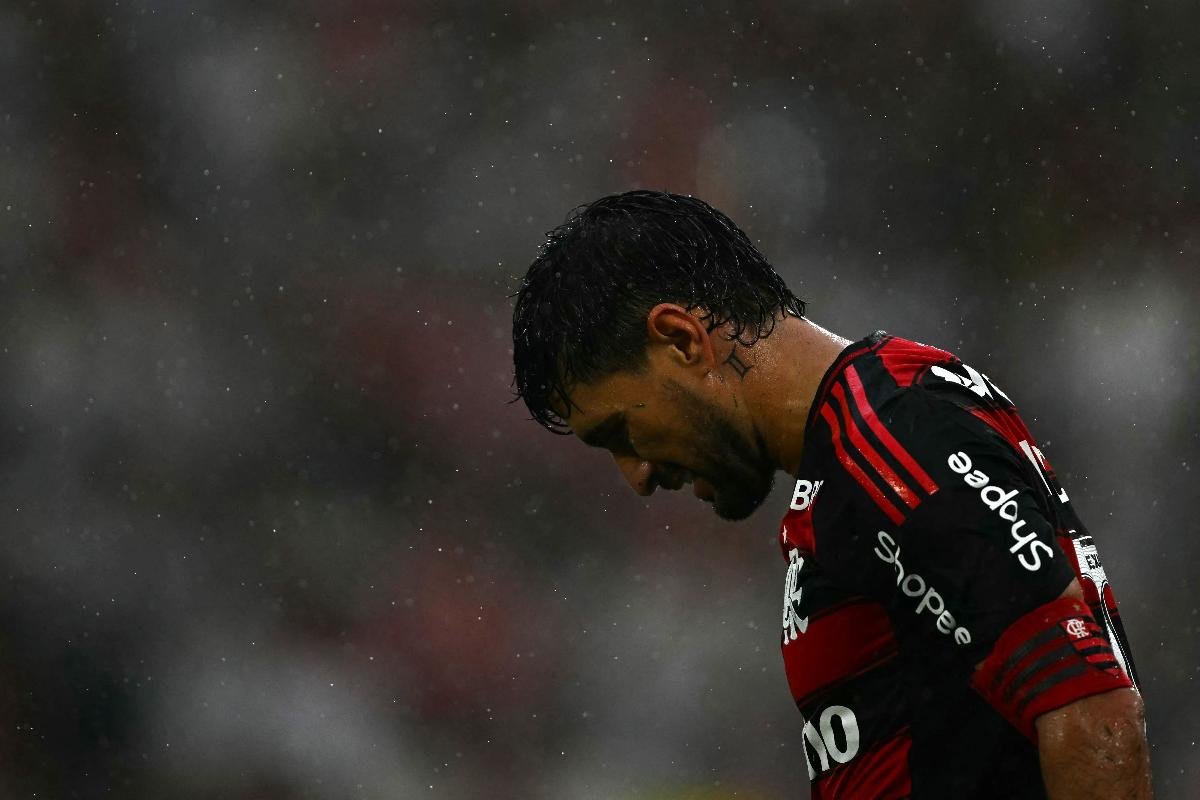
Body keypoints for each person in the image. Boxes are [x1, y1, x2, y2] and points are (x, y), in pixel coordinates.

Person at [510, 190, 1152, 799]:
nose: (637, 476)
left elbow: (1093, 711)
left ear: (681, 338)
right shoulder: (859, 448)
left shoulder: (889, 440)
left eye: (620, 430)